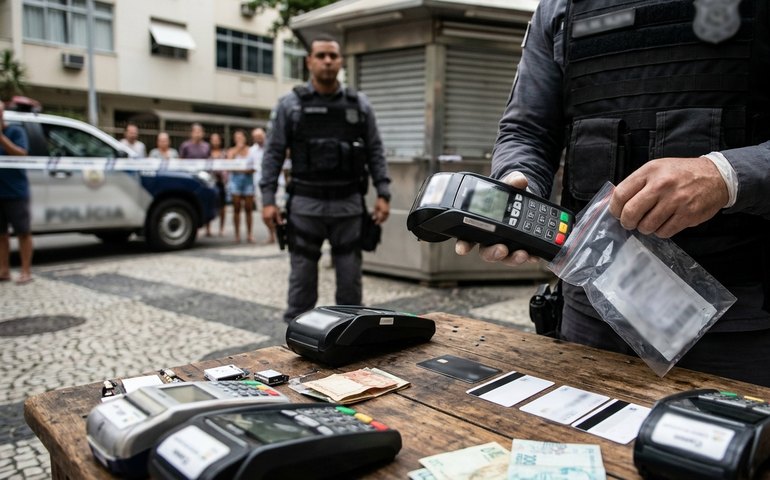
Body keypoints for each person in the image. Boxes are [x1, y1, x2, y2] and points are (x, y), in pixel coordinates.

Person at [456, 0, 770, 386]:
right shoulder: (560, 7)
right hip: (592, 312)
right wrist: (519, 183)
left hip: (740, 326)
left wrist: (725, 176)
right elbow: (527, 132)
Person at [260, 34, 391, 323]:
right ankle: (299, 343)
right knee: (302, 285)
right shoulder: (290, 105)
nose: (327, 61)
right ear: (309, 61)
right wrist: (268, 199)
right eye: (321, 55)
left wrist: (384, 192)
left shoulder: (360, 105)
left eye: (333, 56)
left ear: (341, 61)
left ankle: (349, 344)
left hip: (348, 206)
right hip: (305, 206)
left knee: (350, 286)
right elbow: (273, 153)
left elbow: (375, 150)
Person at [0, 99, 33, 285]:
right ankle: (3, 270)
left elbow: (22, 154)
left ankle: (26, 271)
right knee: (1, 234)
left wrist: (2, 139)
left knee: (23, 232)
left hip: (15, 192)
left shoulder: (15, 131)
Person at [227, 129, 256, 243]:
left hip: (248, 182)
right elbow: (229, 165)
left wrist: (243, 170)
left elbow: (254, 167)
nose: (239, 139)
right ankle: (237, 235)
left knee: (249, 209)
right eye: (236, 138)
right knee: (237, 208)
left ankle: (249, 234)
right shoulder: (232, 151)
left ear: (245, 138)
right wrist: (237, 150)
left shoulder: (251, 151)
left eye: (241, 137)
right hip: (236, 182)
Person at [249, 127, 274, 244]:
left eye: (260, 135)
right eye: (256, 136)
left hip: (276, 184)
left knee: (279, 212)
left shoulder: (273, 146)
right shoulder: (252, 151)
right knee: (264, 214)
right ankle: (273, 233)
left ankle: (281, 234)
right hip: (260, 185)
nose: (259, 138)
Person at [208, 132, 228, 237]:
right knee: (208, 203)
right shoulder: (207, 153)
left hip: (221, 182)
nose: (215, 141)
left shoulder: (224, 153)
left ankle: (221, 228)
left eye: (217, 139)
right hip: (209, 181)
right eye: (213, 139)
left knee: (222, 207)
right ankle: (208, 229)